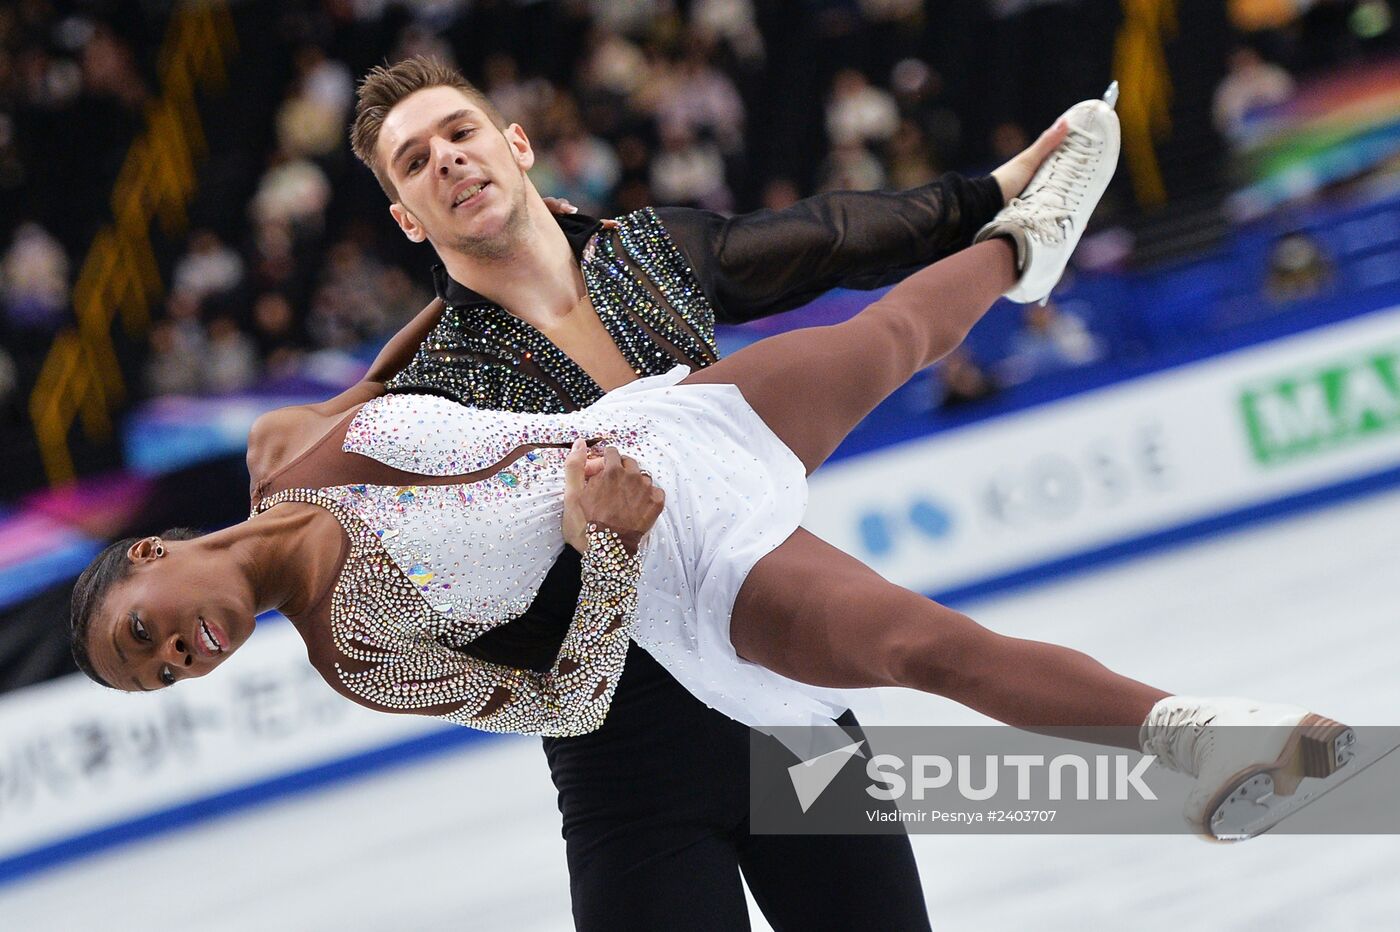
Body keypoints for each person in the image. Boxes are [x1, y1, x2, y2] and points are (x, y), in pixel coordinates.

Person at [73, 86, 1357, 864]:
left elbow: (390, 368)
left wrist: (481, 235)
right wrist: (609, 544)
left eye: (144, 635)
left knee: (891, 334)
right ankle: (1201, 747)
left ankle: (1026, 237)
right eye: (163, 674)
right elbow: (565, 698)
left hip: (668, 422)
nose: (179, 654)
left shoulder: (289, 448)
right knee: (920, 646)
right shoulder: (354, 655)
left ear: (148, 555)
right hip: (673, 573)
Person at [238, 56, 1046, 931]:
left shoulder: (648, 254)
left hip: (791, 716)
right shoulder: (426, 401)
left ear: (516, 145)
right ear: (406, 216)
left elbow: (829, 238)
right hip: (629, 775)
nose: (447, 159)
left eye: (460, 133)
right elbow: (306, 485)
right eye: (414, 161)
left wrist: (992, 192)